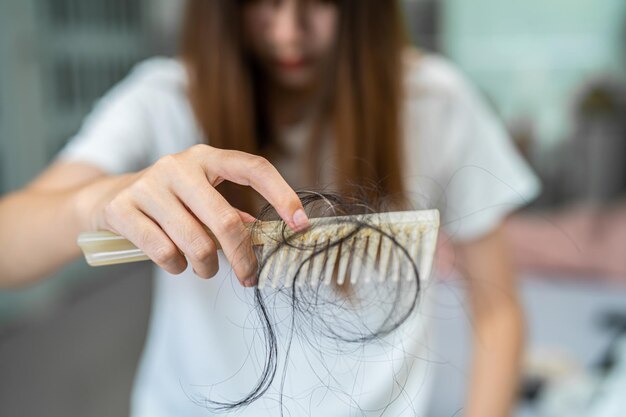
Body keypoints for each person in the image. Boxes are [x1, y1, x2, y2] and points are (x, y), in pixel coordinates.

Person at [0, 1, 541, 416]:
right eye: (263, 2)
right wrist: (96, 202)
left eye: (320, 3)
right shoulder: (160, 99)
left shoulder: (436, 101)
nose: (288, 30)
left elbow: (498, 311)